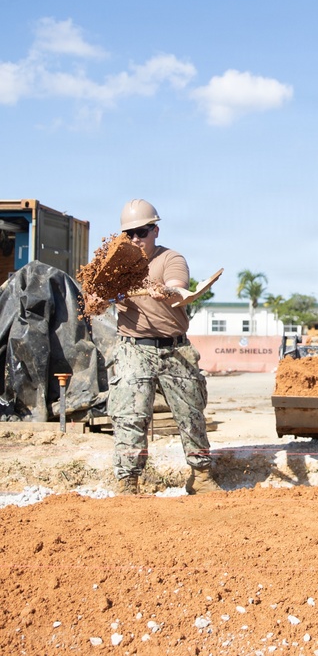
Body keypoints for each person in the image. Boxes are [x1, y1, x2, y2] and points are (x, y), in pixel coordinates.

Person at [108, 199, 223, 495]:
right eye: (129, 234)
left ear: (155, 230)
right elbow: (96, 294)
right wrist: (96, 299)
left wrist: (167, 289)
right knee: (130, 415)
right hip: (133, 348)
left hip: (174, 349)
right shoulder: (115, 267)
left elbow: (178, 284)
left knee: (190, 413)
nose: (136, 239)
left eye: (142, 232)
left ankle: (201, 477)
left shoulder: (170, 259)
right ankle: (127, 482)